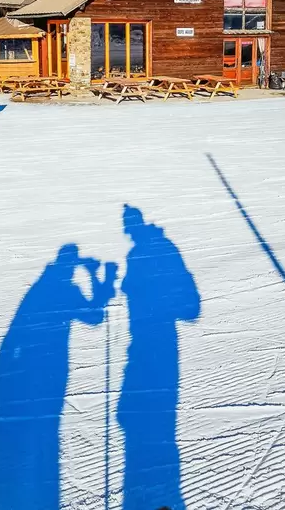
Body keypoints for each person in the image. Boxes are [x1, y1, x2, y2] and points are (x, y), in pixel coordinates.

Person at [0, 244, 117, 510]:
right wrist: (101, 277)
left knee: (32, 425)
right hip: (52, 368)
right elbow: (95, 316)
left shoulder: (39, 288)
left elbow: (11, 339)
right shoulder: (66, 290)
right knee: (46, 424)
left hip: (28, 368)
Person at [117, 205, 200, 510]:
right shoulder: (143, 251)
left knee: (154, 402)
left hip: (158, 336)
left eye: (129, 225)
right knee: (148, 401)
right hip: (144, 336)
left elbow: (184, 294)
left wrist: (163, 303)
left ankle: (157, 475)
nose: (128, 231)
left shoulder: (158, 249)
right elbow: (134, 285)